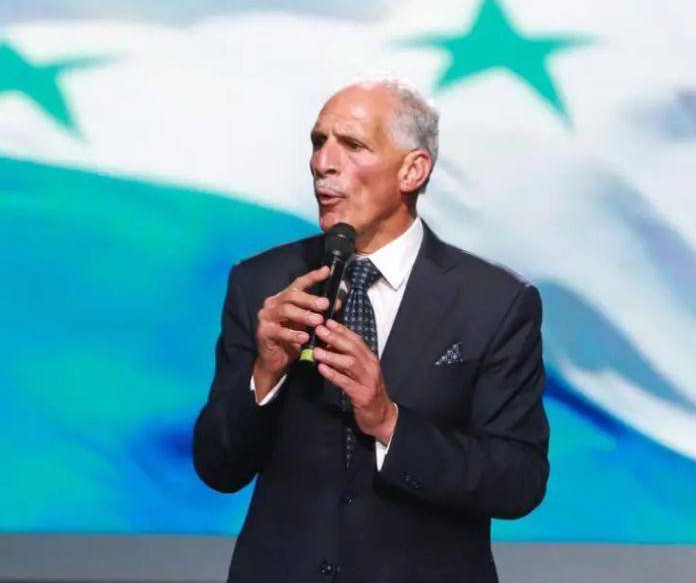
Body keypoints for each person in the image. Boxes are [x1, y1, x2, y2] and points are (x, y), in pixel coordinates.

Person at [192, 78, 550, 583]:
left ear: (412, 170)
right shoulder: (262, 284)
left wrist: (389, 423)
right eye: (318, 142)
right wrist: (265, 373)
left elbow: (518, 480)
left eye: (352, 145)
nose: (322, 163)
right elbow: (218, 466)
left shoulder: (494, 302)